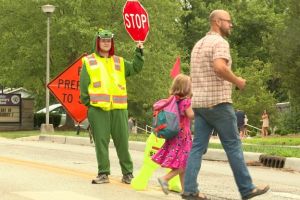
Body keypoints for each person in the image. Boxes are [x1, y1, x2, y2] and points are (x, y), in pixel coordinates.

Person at [182, 10, 269, 200]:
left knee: (197, 147)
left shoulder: (198, 45)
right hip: (218, 103)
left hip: (199, 104)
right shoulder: (220, 42)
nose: (231, 25)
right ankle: (247, 189)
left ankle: (189, 190)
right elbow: (220, 67)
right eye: (229, 22)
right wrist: (237, 81)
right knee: (233, 146)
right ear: (217, 21)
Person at [80, 28, 144, 184]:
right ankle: (103, 173)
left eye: (108, 41)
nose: (106, 43)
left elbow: (136, 67)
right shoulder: (88, 61)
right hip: (98, 109)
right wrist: (91, 106)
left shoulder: (119, 61)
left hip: (119, 109)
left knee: (122, 142)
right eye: (103, 40)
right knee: (101, 142)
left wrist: (139, 51)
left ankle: (128, 174)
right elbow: (83, 87)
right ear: (98, 42)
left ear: (112, 43)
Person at [152, 74, 194, 195]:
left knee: (183, 164)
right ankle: (165, 178)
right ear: (186, 88)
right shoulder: (186, 101)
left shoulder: (174, 100)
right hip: (183, 136)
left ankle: (186, 191)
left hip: (175, 135)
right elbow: (190, 115)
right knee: (185, 163)